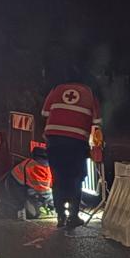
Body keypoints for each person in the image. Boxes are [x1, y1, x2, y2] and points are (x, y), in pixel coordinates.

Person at [40, 76, 102, 230]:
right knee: (76, 178)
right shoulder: (89, 93)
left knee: (58, 177)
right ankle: (73, 217)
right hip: (76, 141)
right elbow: (97, 122)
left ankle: (60, 216)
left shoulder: (57, 89)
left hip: (54, 139)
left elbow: (45, 113)